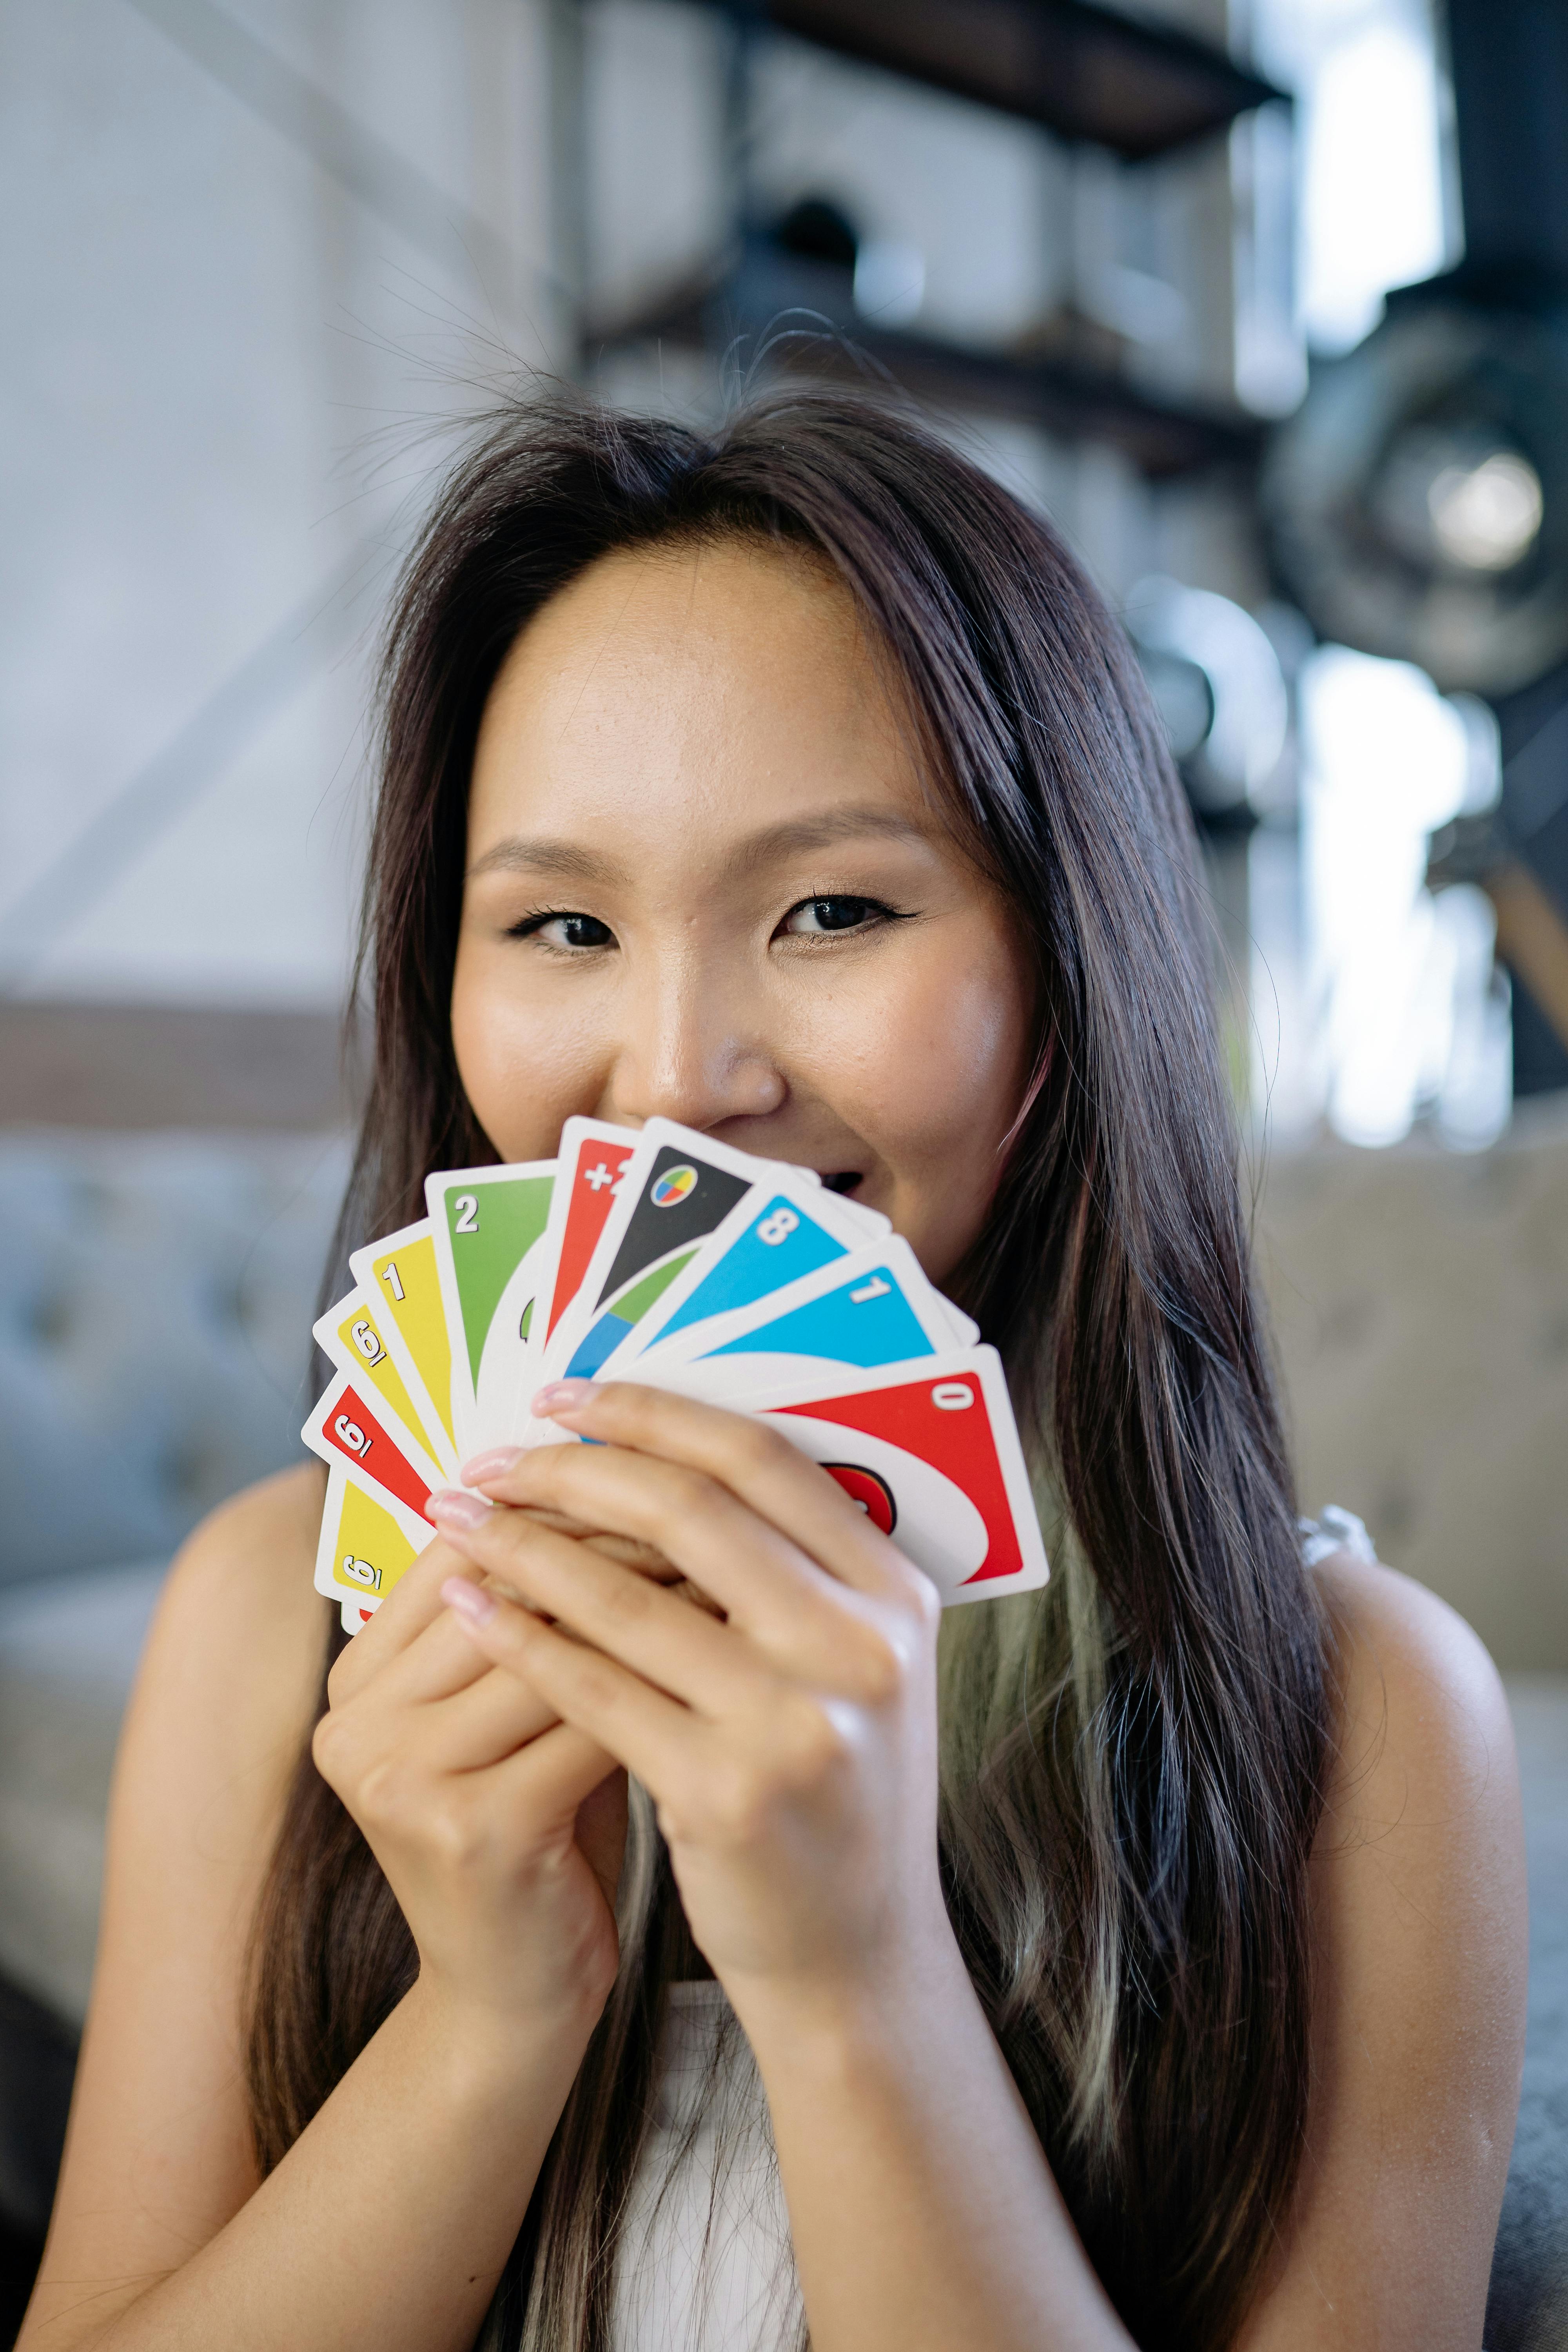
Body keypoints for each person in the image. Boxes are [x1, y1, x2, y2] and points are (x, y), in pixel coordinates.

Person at [21, 392, 1526, 2352]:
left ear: (1059, 984)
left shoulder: (1365, 1714)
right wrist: (491, 2014)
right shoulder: (261, 1616)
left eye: (833, 910)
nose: (676, 1080)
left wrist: (852, 1977)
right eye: (561, 922)